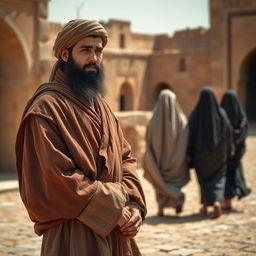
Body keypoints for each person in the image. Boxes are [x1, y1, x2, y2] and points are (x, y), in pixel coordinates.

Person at [15, 19, 146, 256]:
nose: (94, 58)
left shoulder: (103, 107)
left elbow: (126, 158)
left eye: (98, 50)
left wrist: (134, 206)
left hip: (118, 234)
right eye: (85, 50)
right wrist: (114, 208)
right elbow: (56, 177)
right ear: (65, 54)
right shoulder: (46, 108)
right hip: (73, 235)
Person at [187, 87, 233, 218]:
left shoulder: (195, 114)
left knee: (203, 180)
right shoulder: (222, 113)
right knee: (218, 179)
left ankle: (206, 205)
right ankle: (217, 202)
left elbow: (189, 135)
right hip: (219, 155)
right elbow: (229, 133)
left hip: (200, 157)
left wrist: (188, 153)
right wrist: (230, 150)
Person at [143, 89, 190, 216]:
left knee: (160, 182)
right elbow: (186, 140)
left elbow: (148, 141)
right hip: (177, 162)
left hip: (159, 160)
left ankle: (161, 208)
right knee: (174, 181)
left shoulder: (153, 121)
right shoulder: (182, 121)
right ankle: (176, 202)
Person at [220, 89, 251, 210]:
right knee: (234, 173)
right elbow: (243, 135)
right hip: (237, 153)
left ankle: (226, 201)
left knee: (226, 175)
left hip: (225, 152)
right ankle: (229, 201)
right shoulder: (241, 117)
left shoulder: (221, 116)